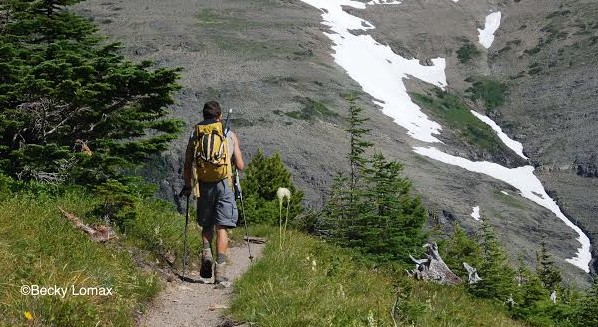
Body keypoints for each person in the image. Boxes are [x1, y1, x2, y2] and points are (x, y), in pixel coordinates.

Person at [180, 101, 245, 285]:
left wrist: (187, 185)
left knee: (207, 225)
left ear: (204, 115)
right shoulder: (229, 135)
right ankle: (220, 271)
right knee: (222, 227)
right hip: (224, 184)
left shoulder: (196, 134)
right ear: (220, 115)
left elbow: (187, 164)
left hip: (203, 185)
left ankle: (206, 254)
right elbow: (240, 165)